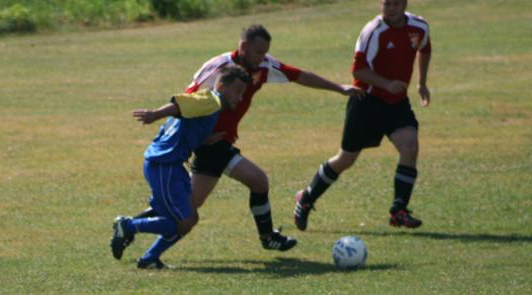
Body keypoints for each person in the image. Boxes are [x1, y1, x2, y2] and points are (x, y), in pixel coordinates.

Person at [161, 24, 362, 253]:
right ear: (243, 46)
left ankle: (133, 225)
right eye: (258, 52)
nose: (262, 58)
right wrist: (198, 137)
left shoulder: (264, 66)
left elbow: (300, 76)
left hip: (220, 143)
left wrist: (339, 88)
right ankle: (268, 237)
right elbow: (184, 102)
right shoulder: (218, 67)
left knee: (188, 205)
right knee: (258, 181)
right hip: (210, 144)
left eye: (265, 52)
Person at [293, 0, 431, 230]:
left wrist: (422, 83)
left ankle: (399, 210)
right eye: (387, 4)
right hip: (366, 102)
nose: (391, 9)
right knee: (345, 159)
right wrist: (386, 84)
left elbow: (425, 49)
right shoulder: (373, 32)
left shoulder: (419, 27)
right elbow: (358, 71)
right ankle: (306, 198)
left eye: (396, 4)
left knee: (410, 146)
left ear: (405, 4)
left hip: (396, 102)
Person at [111, 65, 251, 269]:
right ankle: (128, 226)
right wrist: (154, 114)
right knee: (182, 222)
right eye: (237, 91)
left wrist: (205, 139)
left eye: (242, 93)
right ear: (221, 85)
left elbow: (183, 123)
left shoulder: (208, 103)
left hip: (170, 166)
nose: (240, 98)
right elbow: (179, 104)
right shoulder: (211, 100)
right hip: (164, 165)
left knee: (190, 218)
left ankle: (149, 259)